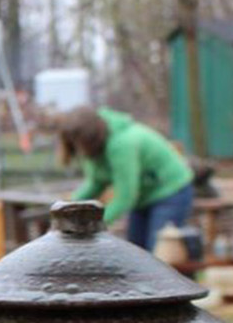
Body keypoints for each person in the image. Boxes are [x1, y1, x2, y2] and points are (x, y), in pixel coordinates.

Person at [59, 106, 195, 251]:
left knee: (157, 251)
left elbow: (125, 197)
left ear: (90, 139)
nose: (78, 150)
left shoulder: (122, 144)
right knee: (136, 250)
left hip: (171, 190)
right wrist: (68, 206)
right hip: (144, 196)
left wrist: (94, 225)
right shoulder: (92, 148)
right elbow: (96, 182)